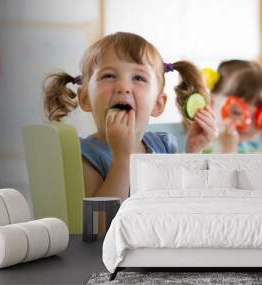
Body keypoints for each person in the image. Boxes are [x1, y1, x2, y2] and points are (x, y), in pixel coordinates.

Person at [43, 32, 217, 200]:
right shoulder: (84, 155)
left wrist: (194, 151)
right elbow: (99, 225)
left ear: (158, 104)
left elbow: (183, 205)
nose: (123, 86)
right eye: (109, 76)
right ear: (85, 98)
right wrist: (122, 159)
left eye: (139, 78)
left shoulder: (164, 146)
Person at [210, 60, 262, 194]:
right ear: (211, 103)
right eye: (237, 112)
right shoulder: (203, 144)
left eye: (259, 116)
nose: (248, 124)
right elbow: (218, 194)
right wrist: (225, 150)